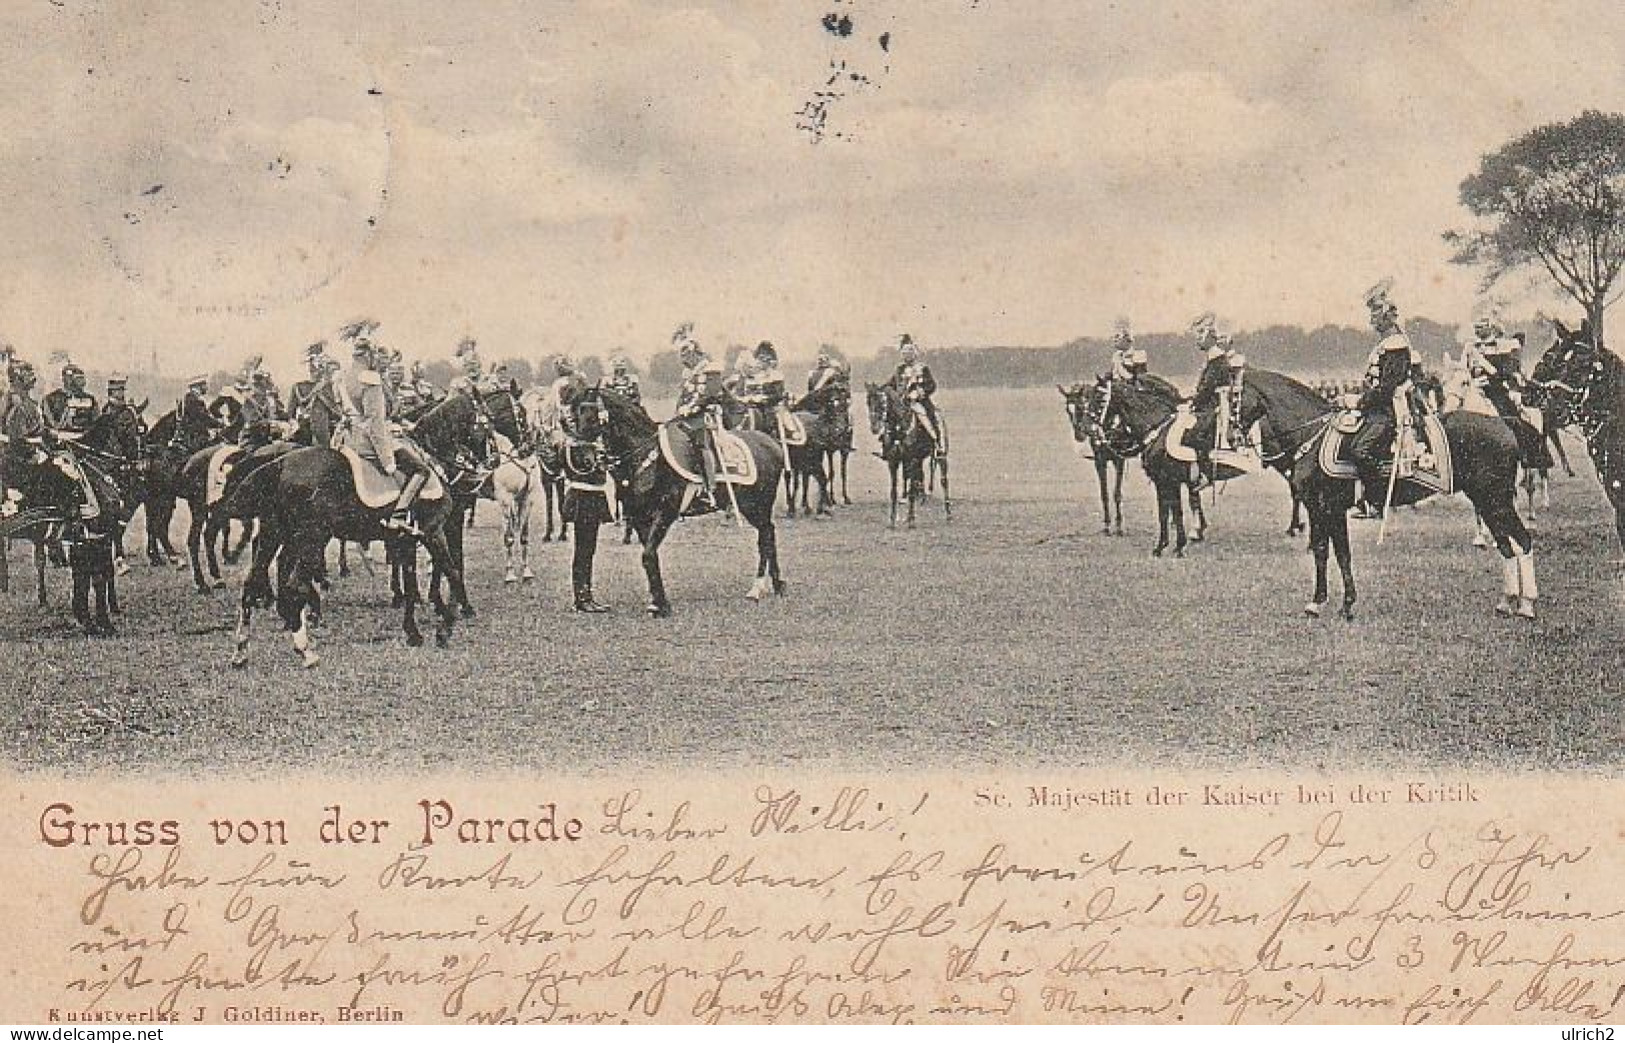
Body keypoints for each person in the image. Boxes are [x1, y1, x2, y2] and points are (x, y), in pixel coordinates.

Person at [337, 338, 429, 533]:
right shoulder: (369, 378)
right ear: (368, 355)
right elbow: (375, 423)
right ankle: (399, 515)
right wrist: (387, 460)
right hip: (367, 442)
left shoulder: (343, 375)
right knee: (421, 470)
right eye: (374, 355)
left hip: (347, 439)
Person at [1348, 279, 1425, 478]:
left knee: (1360, 451)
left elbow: (1388, 387)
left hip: (1388, 410)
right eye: (1372, 313)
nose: (1372, 319)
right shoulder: (1385, 344)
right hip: (1376, 408)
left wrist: (1361, 401)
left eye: (1376, 313)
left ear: (1387, 317)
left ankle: (1375, 498)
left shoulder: (1396, 345)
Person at [556, 374, 613, 612]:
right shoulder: (576, 446)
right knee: (584, 549)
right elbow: (593, 470)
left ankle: (584, 595)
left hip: (589, 498)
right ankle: (582, 598)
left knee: (586, 549)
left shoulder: (576, 443)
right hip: (584, 499)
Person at [673, 335, 725, 506]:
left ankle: (710, 487)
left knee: (701, 443)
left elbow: (711, 393)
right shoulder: (688, 373)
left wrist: (693, 408)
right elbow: (684, 395)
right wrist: (680, 410)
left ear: (694, 353)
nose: (683, 360)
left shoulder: (711, 368)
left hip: (706, 414)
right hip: (687, 415)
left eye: (685, 355)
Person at [888, 333, 941, 445]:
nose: (907, 356)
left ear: (914, 354)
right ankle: (887, 446)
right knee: (888, 419)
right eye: (904, 353)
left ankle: (937, 443)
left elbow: (931, 385)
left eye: (909, 353)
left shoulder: (922, 368)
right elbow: (890, 384)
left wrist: (919, 392)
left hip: (917, 402)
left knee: (927, 417)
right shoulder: (899, 369)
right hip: (901, 404)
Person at [287, 343, 342, 448]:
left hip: (305, 431)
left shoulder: (298, 386)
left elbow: (290, 414)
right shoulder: (327, 386)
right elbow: (338, 413)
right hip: (325, 433)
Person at [42, 362, 99, 442]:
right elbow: (50, 424)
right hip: (61, 441)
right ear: (64, 379)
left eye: (80, 377)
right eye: (70, 377)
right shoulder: (51, 399)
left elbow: (96, 421)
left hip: (86, 440)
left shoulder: (90, 399)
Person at [173, 374, 221, 451]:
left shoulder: (189, 398)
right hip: (194, 439)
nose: (206, 387)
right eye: (204, 384)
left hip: (191, 436)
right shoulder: (194, 400)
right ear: (198, 386)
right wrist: (220, 424)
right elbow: (204, 418)